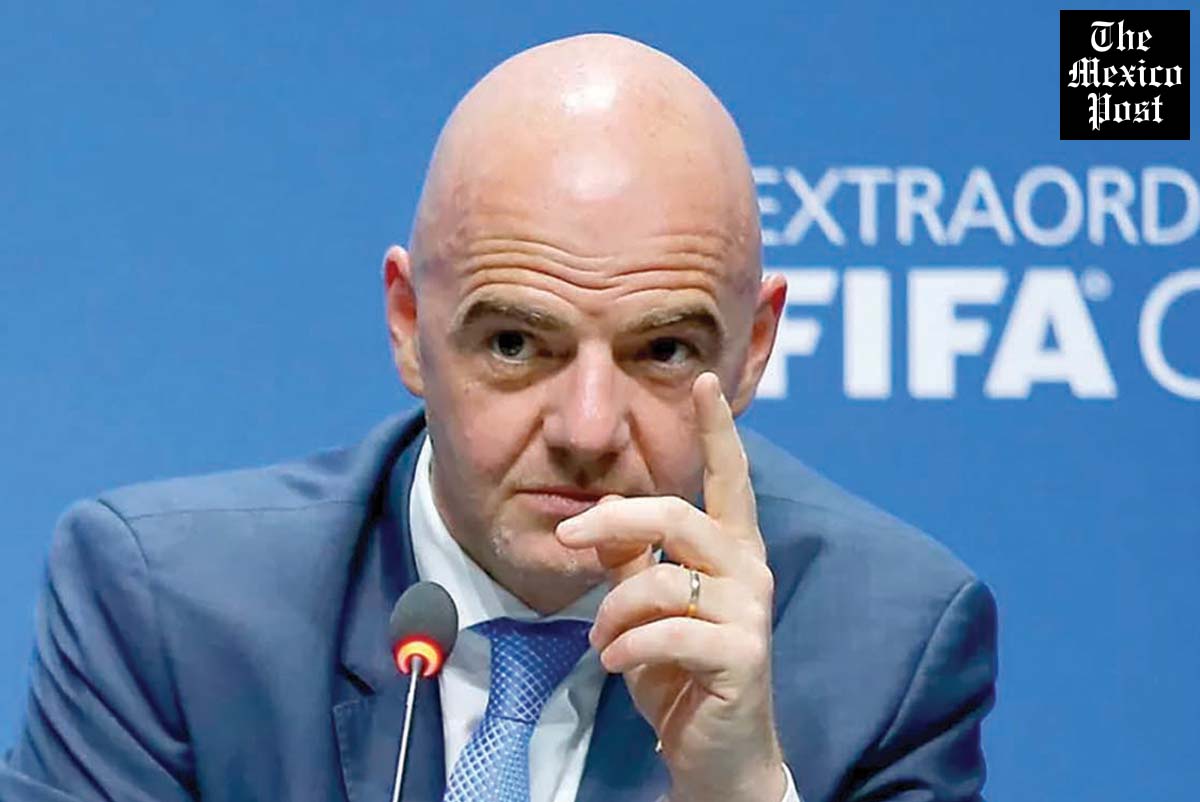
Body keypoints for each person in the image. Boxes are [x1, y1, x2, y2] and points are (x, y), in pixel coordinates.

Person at [0, 33, 997, 802]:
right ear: (408, 326)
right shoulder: (173, 613)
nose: (588, 429)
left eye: (663, 351)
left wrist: (741, 793)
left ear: (753, 350)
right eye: (517, 343)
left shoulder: (886, 653)